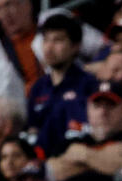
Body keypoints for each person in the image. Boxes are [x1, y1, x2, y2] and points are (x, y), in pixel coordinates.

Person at [25, 11, 98, 158]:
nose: (49, 47)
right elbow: (31, 128)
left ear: (75, 46)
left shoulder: (88, 84)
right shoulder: (38, 87)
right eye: (46, 40)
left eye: (58, 40)